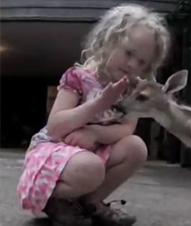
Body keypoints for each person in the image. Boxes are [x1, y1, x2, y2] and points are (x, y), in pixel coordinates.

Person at [16, 3, 171, 226]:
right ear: (108, 41)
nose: (132, 64)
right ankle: (55, 200)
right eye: (129, 53)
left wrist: (95, 133)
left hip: (92, 151)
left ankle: (91, 203)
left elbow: (126, 129)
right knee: (91, 168)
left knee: (136, 147)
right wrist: (98, 104)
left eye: (142, 62)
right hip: (54, 153)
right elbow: (55, 127)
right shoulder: (78, 77)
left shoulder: (130, 90)